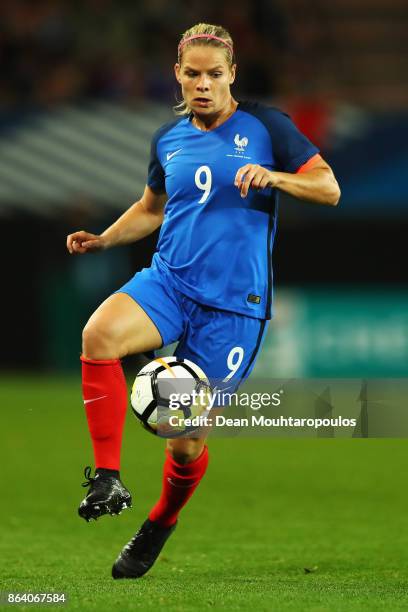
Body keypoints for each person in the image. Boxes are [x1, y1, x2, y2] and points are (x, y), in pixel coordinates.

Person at [66, 22, 340, 580]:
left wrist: (277, 177)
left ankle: (160, 523)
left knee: (186, 442)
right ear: (178, 74)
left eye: (214, 74)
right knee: (99, 335)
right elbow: (151, 207)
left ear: (232, 74)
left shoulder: (268, 126)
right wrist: (104, 237)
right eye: (192, 74)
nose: (203, 84)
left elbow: (329, 187)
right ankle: (107, 475)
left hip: (234, 306)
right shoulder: (168, 139)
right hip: (168, 281)